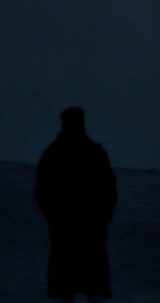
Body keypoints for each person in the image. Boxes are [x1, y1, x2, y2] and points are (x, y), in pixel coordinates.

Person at [35, 107, 118, 302]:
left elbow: (42, 192)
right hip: (87, 227)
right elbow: (109, 188)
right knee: (90, 279)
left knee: (69, 281)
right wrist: (103, 216)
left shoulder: (54, 154)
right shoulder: (94, 152)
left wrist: (54, 217)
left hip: (70, 228)